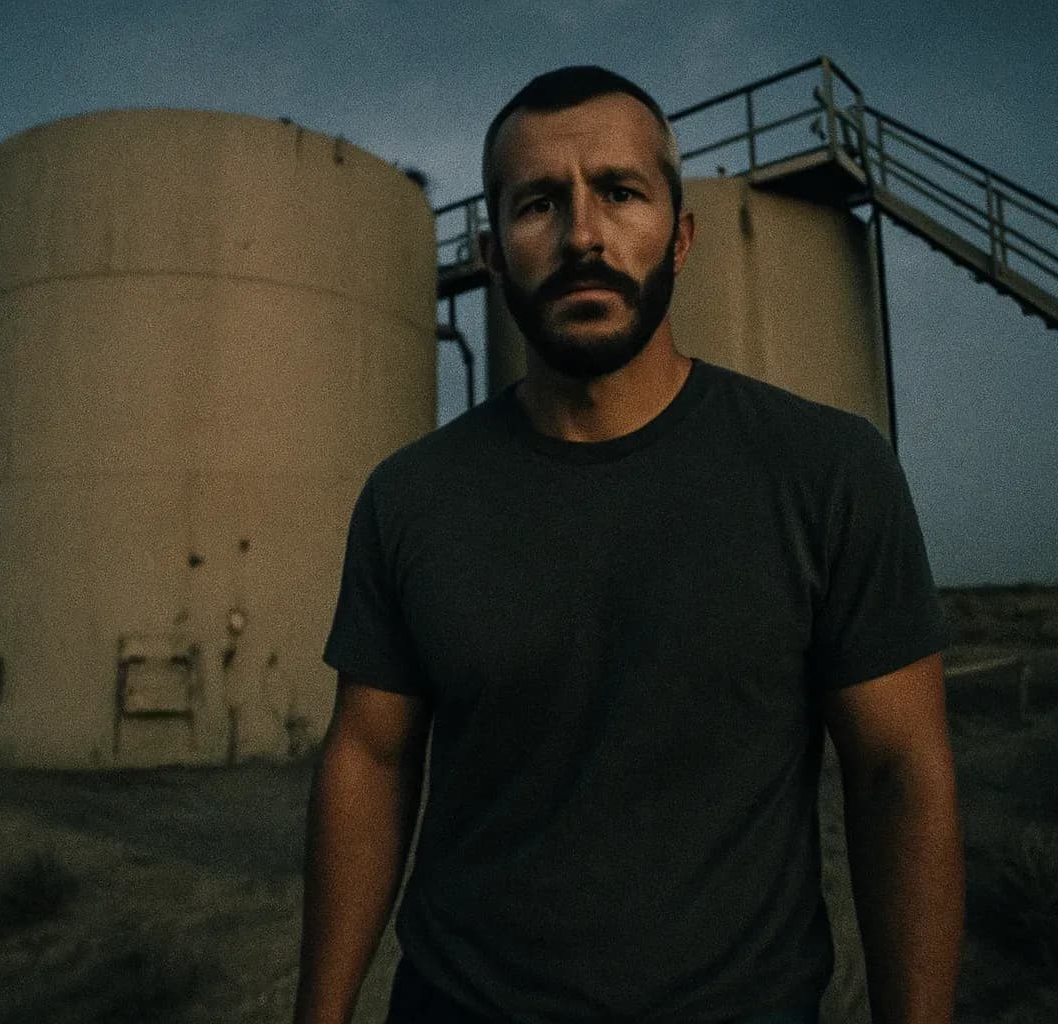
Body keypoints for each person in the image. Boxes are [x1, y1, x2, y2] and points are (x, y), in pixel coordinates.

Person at [294, 66, 963, 1024]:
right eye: (538, 204)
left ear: (680, 235)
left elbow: (900, 773)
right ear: (491, 254)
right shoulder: (412, 497)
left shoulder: (827, 471)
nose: (582, 237)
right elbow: (369, 758)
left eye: (619, 192)